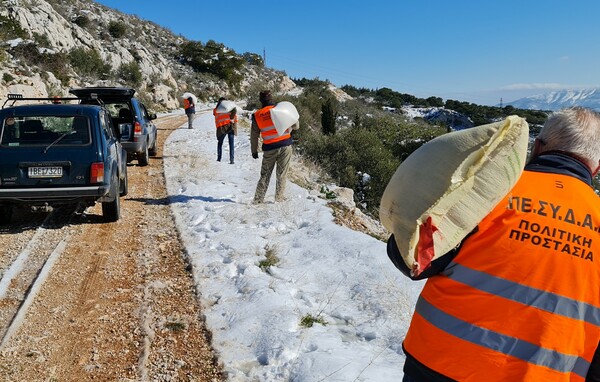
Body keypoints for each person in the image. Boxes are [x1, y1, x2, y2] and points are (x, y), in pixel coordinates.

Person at [387, 107, 600, 381]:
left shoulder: (486, 193)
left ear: (537, 148)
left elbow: (413, 259)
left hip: (438, 364)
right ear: (596, 167)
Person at [250, 90, 299, 203]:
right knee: (281, 174)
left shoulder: (257, 115)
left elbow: (254, 136)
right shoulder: (281, 110)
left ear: (260, 101)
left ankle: (258, 200)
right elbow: (296, 125)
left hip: (269, 148)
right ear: (272, 99)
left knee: (265, 175)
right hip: (285, 146)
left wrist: (254, 151)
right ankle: (279, 198)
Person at [213, 97, 237, 164]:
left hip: (221, 128)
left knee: (220, 143)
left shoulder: (216, 109)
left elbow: (214, 114)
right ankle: (232, 160)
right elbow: (234, 110)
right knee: (231, 143)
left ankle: (219, 159)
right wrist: (232, 118)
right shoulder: (229, 108)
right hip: (230, 126)